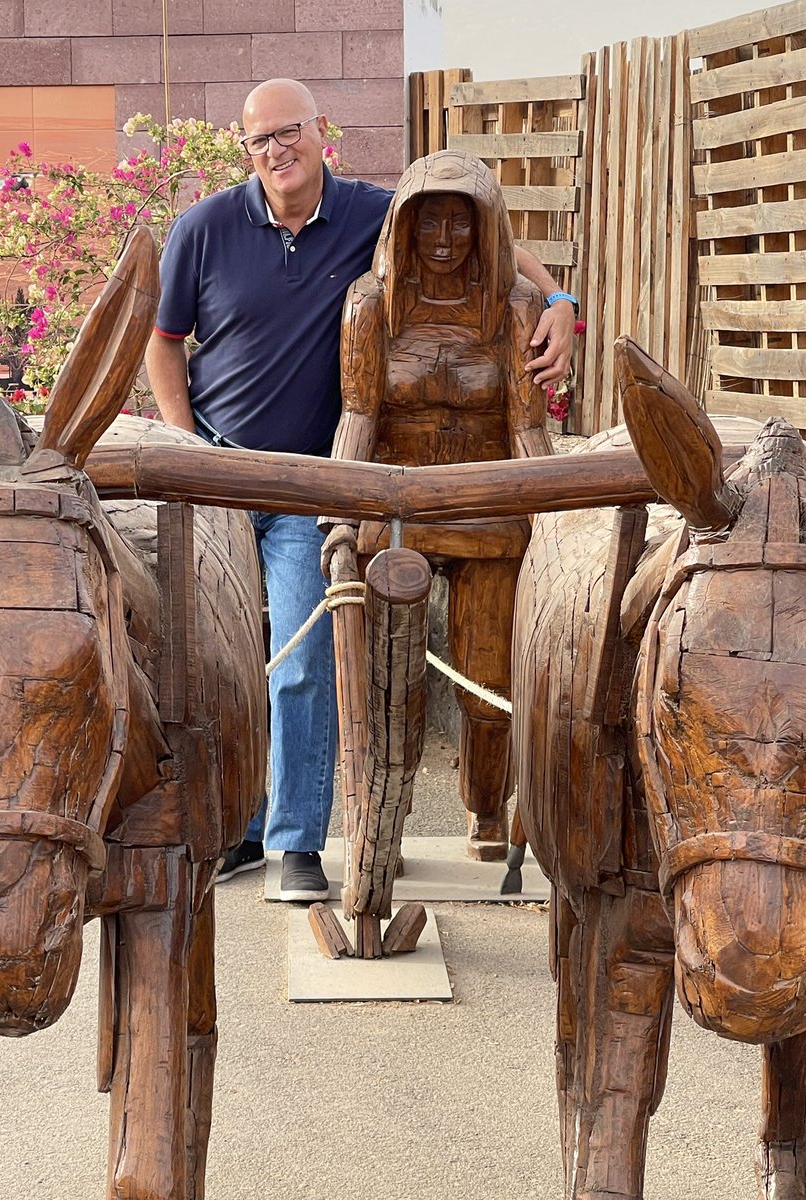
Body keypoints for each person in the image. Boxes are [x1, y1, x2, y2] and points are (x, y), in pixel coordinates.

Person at [145, 78, 577, 902]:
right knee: (213, 664)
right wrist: (185, 441)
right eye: (260, 139)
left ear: (320, 134)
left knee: (305, 659)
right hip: (222, 472)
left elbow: (493, 243)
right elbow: (166, 346)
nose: (278, 150)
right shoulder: (204, 229)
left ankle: (295, 847)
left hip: (315, 481)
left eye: (290, 132)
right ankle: (235, 831)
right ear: (246, 151)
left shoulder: (371, 217)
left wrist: (558, 299)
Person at [321, 148, 572, 864]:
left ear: (484, 230)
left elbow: (528, 427)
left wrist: (553, 516)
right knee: (390, 682)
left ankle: (485, 809)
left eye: (458, 225)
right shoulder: (372, 307)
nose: (441, 239)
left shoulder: (515, 308)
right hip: (395, 508)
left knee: (488, 678)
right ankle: (385, 824)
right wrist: (342, 510)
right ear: (403, 228)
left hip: (488, 509)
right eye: (427, 223)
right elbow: (358, 416)